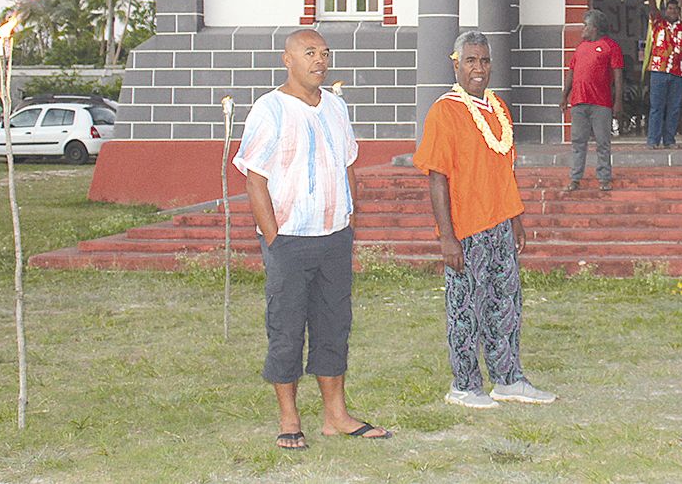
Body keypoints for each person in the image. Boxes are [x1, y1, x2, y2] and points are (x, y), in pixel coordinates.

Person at [233, 28, 392, 450]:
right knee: (286, 328)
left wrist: (351, 218)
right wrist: (274, 236)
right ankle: (289, 416)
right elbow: (254, 179)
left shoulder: (336, 108)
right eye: (309, 53)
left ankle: (335, 416)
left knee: (334, 326)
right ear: (288, 60)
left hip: (334, 237)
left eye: (324, 53)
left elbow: (349, 164)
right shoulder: (269, 110)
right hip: (289, 240)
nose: (319, 60)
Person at [414, 30, 557, 410]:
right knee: (466, 309)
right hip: (466, 228)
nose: (479, 68)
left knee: (506, 305)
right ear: (456, 63)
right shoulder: (445, 110)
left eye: (484, 61)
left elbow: (504, 169)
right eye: (471, 61)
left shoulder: (498, 109)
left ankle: (509, 379)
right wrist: (447, 237)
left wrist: (515, 219)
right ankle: (464, 385)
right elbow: (437, 177)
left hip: (499, 223)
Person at [561, 8, 624, 192]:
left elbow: (618, 76)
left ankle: (604, 177)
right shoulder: (580, 47)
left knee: (603, 142)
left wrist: (617, 102)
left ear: (594, 27)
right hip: (579, 102)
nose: (583, 29)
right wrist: (564, 95)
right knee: (578, 143)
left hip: (601, 104)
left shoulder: (611, 46)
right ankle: (575, 178)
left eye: (585, 25)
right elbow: (571, 73)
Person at [644, 0, 682, 148]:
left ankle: (669, 140)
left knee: (674, 108)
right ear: (665, 10)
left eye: (676, 9)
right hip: (659, 71)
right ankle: (653, 141)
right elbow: (653, 10)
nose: (673, 11)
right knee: (657, 107)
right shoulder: (659, 23)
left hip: (678, 72)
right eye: (670, 8)